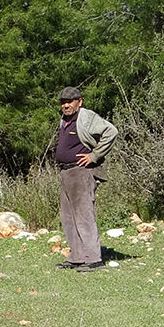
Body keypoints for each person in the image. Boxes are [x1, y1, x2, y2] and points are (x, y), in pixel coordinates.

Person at [53, 86, 118, 273]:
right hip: (66, 172)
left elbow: (111, 132)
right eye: (63, 102)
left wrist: (94, 155)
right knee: (68, 217)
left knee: (83, 215)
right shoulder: (65, 120)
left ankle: (93, 258)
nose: (65, 105)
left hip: (82, 171)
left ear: (79, 102)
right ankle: (77, 257)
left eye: (69, 101)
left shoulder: (86, 117)